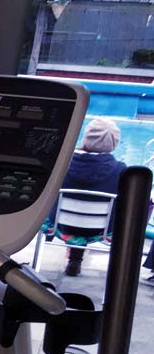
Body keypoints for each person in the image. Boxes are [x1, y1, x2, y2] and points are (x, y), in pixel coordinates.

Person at [46, 117, 126, 277]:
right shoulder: (121, 170)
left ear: (86, 137)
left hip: (59, 225)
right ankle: (77, 260)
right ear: (114, 143)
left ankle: (74, 258)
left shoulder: (62, 163)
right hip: (100, 230)